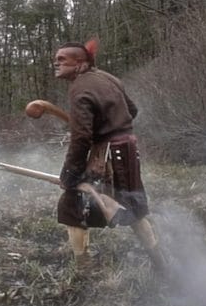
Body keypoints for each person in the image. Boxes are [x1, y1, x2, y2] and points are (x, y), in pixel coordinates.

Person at [52, 39, 166, 275]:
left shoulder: (80, 87)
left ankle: (83, 269)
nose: (56, 63)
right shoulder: (108, 77)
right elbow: (131, 111)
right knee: (132, 207)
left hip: (107, 155)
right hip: (126, 149)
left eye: (63, 59)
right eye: (56, 59)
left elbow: (81, 137)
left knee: (73, 205)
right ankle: (161, 264)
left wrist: (70, 173)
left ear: (80, 63)